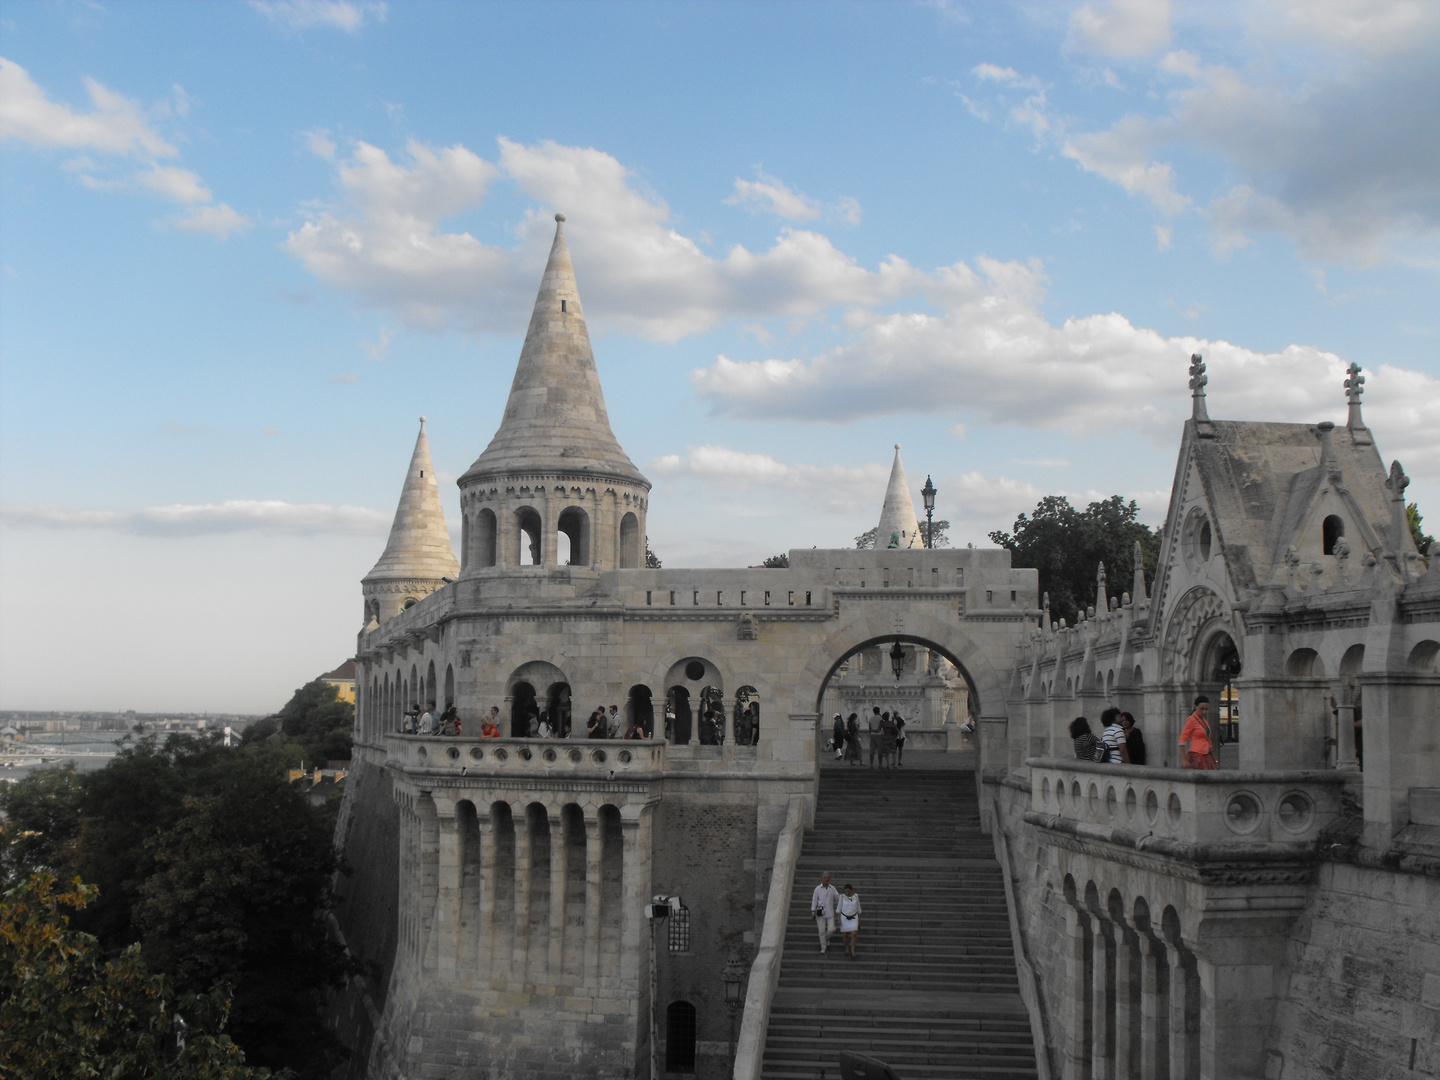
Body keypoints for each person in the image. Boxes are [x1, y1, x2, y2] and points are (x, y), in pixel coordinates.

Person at [1179, 695, 1217, 769]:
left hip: (1206, 754)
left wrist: (1215, 760)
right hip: (1196, 753)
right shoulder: (1191, 720)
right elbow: (1182, 740)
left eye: (1206, 709)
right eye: (1202, 709)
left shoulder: (1205, 721)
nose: (1204, 711)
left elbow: (1209, 741)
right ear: (1195, 706)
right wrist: (1184, 759)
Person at [810, 872, 840, 954]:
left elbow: (837, 897)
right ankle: (823, 947)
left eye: (828, 878)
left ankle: (826, 938)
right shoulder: (817, 889)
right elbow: (814, 901)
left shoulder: (832, 888)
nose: (826, 879)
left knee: (832, 929)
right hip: (820, 912)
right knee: (821, 930)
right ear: (822, 878)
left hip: (830, 912)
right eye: (825, 878)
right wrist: (813, 911)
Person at [838, 883, 862, 958]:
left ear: (851, 891)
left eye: (849, 891)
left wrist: (860, 917)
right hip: (844, 917)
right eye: (846, 891)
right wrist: (838, 919)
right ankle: (847, 947)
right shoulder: (842, 897)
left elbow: (858, 907)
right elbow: (838, 909)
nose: (848, 893)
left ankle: (853, 950)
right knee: (845, 934)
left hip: (854, 917)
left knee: (854, 933)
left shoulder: (856, 896)